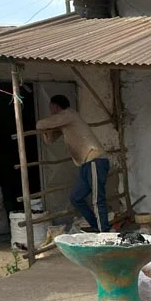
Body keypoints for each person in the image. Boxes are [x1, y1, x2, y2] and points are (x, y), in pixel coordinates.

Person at [36, 95, 110, 232]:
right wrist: (47, 131)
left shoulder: (68, 114)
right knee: (76, 197)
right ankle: (96, 226)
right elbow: (49, 140)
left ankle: (104, 232)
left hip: (95, 159)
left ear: (55, 106)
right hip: (85, 163)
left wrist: (44, 126)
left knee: (97, 199)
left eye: (51, 107)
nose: (50, 110)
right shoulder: (64, 121)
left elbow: (40, 124)